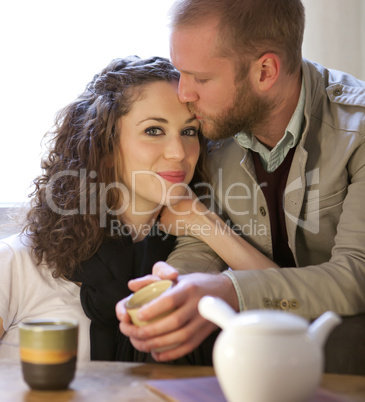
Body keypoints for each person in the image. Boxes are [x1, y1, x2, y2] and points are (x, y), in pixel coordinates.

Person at [116, 0, 365, 374]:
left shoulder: (357, 131)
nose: (184, 94)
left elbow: (355, 275)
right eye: (181, 74)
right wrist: (172, 287)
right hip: (253, 359)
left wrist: (230, 290)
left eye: (200, 78)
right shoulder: (213, 127)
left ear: (265, 71)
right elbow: (202, 238)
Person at [0, 55, 275, 362]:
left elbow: (296, 316)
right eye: (154, 130)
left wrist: (205, 224)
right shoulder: (17, 264)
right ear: (103, 144)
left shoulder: (196, 263)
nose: (178, 153)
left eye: (189, 132)